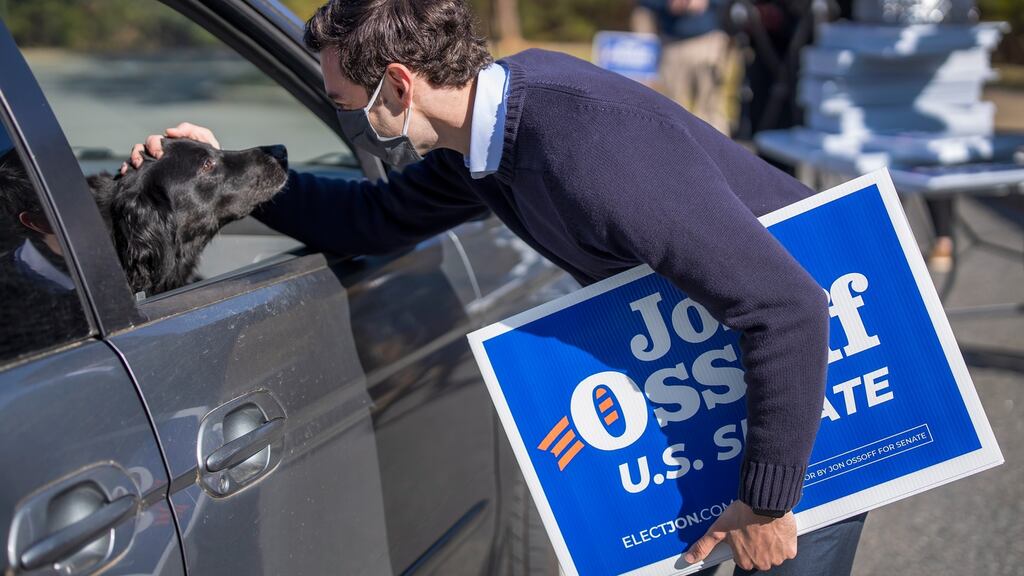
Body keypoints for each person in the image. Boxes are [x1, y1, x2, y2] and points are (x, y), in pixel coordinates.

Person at [125, 0, 866, 573]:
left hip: (814, 389)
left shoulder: (584, 145)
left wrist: (768, 501)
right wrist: (224, 173)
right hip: (731, 379)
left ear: (399, 84)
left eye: (346, 102)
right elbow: (373, 218)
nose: (347, 113)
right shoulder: (486, 135)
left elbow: (788, 308)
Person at [633, 0, 732, 134]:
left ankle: (718, 154)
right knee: (670, 111)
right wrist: (668, 4)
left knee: (711, 110)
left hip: (708, 42)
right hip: (672, 45)